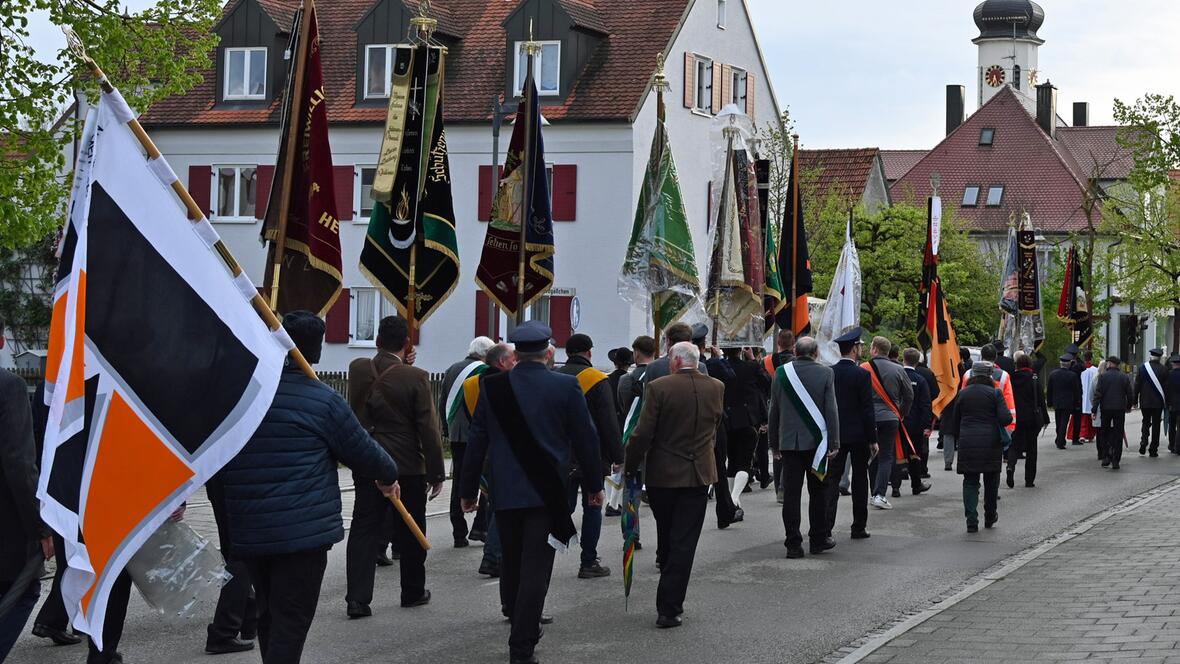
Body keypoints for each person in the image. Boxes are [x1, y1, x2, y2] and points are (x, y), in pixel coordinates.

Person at [220, 311, 399, 663]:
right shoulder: (322, 400)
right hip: (301, 536)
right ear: (315, 351)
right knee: (291, 620)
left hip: (250, 529)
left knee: (270, 614)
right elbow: (369, 456)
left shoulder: (243, 394)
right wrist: (389, 476)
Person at [461, 321, 604, 664]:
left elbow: (476, 441)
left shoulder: (491, 386)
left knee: (512, 561)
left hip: (505, 491)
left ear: (515, 353)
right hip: (547, 492)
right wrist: (595, 486)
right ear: (548, 352)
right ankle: (521, 646)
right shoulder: (566, 386)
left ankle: (515, 613)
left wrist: (467, 491)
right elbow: (586, 440)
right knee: (536, 570)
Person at [345, 315, 445, 617]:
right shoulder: (415, 377)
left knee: (364, 528)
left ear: (376, 342)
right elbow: (427, 427)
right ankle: (412, 591)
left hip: (367, 460)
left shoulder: (358, 368)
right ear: (406, 343)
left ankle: (357, 599)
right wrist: (437, 471)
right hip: (406, 465)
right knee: (412, 529)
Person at [623, 341, 724, 628]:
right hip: (699, 473)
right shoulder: (716, 387)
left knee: (667, 533)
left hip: (663, 474)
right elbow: (714, 426)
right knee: (685, 541)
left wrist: (631, 467)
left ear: (675, 362)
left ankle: (667, 595)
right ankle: (670, 606)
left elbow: (643, 434)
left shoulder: (658, 387)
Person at [0, 315, 53, 661]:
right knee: (23, 591)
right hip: (7, 523)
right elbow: (20, 465)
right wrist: (41, 527)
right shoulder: (9, 387)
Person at [555, 333, 623, 579]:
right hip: (591, 455)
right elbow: (608, 422)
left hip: (559, 454)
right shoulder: (597, 379)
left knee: (561, 507)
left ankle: (547, 554)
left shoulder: (554, 376)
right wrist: (618, 455)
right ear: (589, 352)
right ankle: (588, 560)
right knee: (593, 506)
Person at [770, 337, 840, 558]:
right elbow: (831, 410)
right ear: (816, 353)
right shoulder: (826, 373)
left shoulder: (780, 373)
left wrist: (774, 443)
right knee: (819, 491)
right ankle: (818, 539)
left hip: (789, 443)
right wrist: (835, 441)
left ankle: (793, 543)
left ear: (795, 351)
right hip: (817, 444)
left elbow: (774, 411)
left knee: (791, 494)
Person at [943, 361, 1012, 533]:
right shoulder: (995, 393)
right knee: (991, 482)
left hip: (968, 442)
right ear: (990, 375)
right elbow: (1006, 419)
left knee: (970, 482)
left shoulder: (963, 394)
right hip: (991, 443)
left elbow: (955, 420)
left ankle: (971, 520)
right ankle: (990, 515)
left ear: (972, 375)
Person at [439, 336, 495, 548]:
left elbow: (443, 400)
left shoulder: (452, 369)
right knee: (485, 480)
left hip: (456, 434)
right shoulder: (484, 370)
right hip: (478, 433)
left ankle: (458, 532)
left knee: (459, 481)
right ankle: (480, 527)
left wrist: (446, 428)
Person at [825, 328, 879, 540]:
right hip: (858, 435)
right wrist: (873, 439)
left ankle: (827, 526)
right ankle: (858, 526)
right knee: (859, 480)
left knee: (832, 480)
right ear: (855, 349)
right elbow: (867, 409)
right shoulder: (862, 375)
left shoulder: (830, 372)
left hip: (836, 434)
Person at [205, 474, 258, 654]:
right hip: (241, 477)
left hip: (220, 476)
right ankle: (223, 631)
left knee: (233, 550)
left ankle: (249, 619)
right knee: (243, 553)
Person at [864, 336, 913, 510]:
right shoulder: (899, 370)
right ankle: (879, 494)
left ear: (875, 349)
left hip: (869, 418)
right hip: (891, 417)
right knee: (886, 457)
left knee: (872, 455)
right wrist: (901, 413)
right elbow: (909, 395)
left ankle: (872, 492)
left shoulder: (864, 368)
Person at [718, 347, 770, 510]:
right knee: (744, 462)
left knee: (731, 461)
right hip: (747, 419)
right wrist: (753, 359)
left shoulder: (720, 367)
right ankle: (734, 498)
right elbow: (766, 382)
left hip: (726, 419)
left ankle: (732, 499)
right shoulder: (751, 367)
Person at [1007, 353, 1049, 488]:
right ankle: (1029, 480)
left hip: (1016, 416)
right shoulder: (1034, 379)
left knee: (1014, 444)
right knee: (1031, 449)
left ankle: (1010, 466)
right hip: (1031, 417)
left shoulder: (1011, 378)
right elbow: (1041, 400)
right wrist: (1046, 418)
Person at [898, 348, 933, 496]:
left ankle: (895, 486)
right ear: (918, 361)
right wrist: (926, 425)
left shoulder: (896, 376)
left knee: (897, 453)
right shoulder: (920, 379)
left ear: (903, 359)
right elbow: (926, 404)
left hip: (898, 421)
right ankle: (916, 484)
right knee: (914, 454)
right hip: (915, 424)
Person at [1092, 355, 1134, 469]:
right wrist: (1129, 406)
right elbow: (1129, 394)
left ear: (1109, 364)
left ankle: (1106, 457)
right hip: (1119, 409)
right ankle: (1116, 460)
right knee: (1118, 434)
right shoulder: (1124, 377)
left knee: (1104, 433)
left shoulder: (1103, 377)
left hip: (1106, 409)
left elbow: (1098, 394)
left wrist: (1094, 409)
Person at [1134, 348, 1168, 457]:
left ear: (1151, 356)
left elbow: (1137, 386)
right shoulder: (1164, 370)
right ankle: (1153, 449)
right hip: (1158, 402)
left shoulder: (1142, 368)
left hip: (1145, 401)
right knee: (1156, 425)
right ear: (1160, 357)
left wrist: (1134, 400)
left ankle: (1143, 442)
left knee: (1146, 422)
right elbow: (1167, 388)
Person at [1047, 354, 1083, 450]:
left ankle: (1059, 438)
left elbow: (1050, 389)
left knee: (1059, 422)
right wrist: (1077, 402)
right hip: (1068, 402)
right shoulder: (1073, 376)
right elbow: (1076, 390)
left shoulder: (1053, 374)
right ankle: (1060, 440)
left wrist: (1049, 402)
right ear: (1069, 364)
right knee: (1064, 421)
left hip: (1057, 401)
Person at [606, 346, 634, 428]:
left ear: (614, 363)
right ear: (629, 364)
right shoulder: (632, 380)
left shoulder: (607, 380)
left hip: (611, 421)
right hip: (627, 421)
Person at [1076, 352, 1098, 444]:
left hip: (1081, 395)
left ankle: (1081, 434)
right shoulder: (1095, 370)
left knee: (1082, 417)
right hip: (1091, 395)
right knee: (1090, 417)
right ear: (1091, 358)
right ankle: (1090, 436)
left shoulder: (1079, 369)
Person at [1167, 355, 1180, 453]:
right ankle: (1178, 447)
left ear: (1172, 364)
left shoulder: (1168, 375)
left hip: (1171, 404)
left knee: (1171, 425)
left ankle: (1171, 445)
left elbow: (1165, 390)